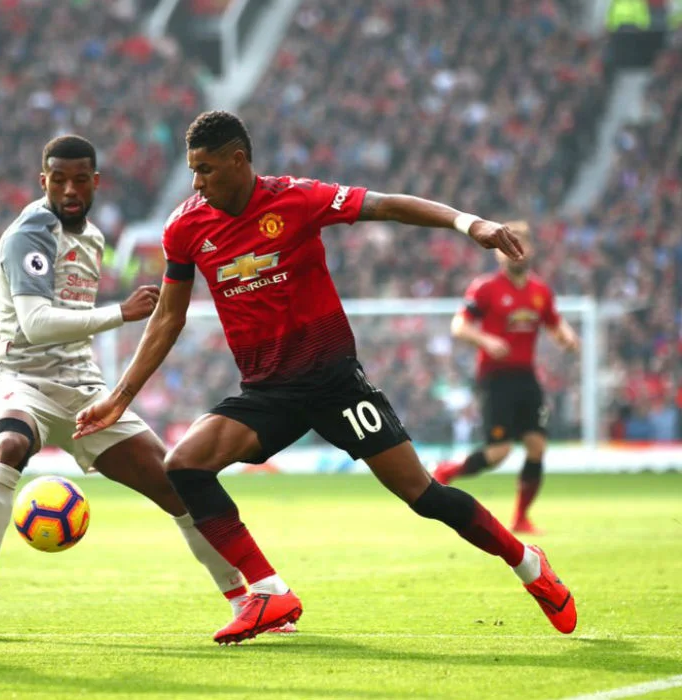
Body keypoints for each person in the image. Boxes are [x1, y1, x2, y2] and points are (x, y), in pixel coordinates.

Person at [74, 111, 577, 645]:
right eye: (192, 170)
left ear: (238, 160)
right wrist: (120, 397)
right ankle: (270, 592)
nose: (196, 182)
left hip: (336, 385)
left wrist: (469, 223)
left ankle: (527, 562)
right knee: (185, 465)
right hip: (267, 392)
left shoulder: (297, 199)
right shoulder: (185, 227)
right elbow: (168, 317)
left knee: (424, 495)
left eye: (206, 169)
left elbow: (386, 205)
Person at [0, 135, 273, 633]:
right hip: (22, 377)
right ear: (43, 181)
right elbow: (35, 323)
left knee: (177, 486)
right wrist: (120, 313)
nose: (69, 190)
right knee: (10, 445)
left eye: (80, 180)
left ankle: (243, 600)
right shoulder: (28, 234)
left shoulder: (94, 238)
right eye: (59, 180)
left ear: (95, 182)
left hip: (82, 386)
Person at [433, 222, 580, 534]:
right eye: (508, 245)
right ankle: (448, 471)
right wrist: (485, 340)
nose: (515, 251)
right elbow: (459, 326)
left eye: (521, 243)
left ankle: (521, 518)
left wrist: (567, 337)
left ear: (531, 249)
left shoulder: (540, 291)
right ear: (497, 253)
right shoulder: (485, 288)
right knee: (499, 452)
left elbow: (555, 323)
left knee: (537, 445)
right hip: (495, 378)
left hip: (526, 377)